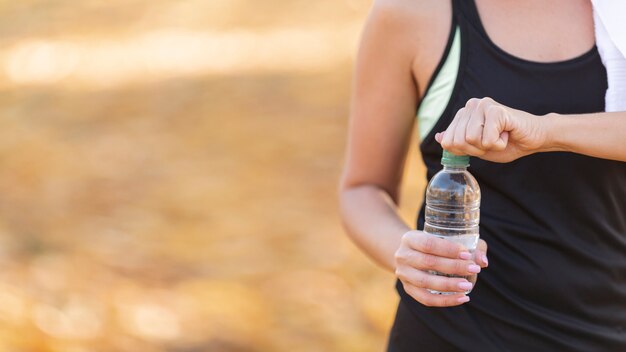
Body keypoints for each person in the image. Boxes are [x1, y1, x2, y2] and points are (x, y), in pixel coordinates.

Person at [338, 0, 626, 350]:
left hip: (605, 330)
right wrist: (408, 254)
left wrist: (546, 132)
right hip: (448, 334)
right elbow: (362, 188)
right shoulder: (413, 13)